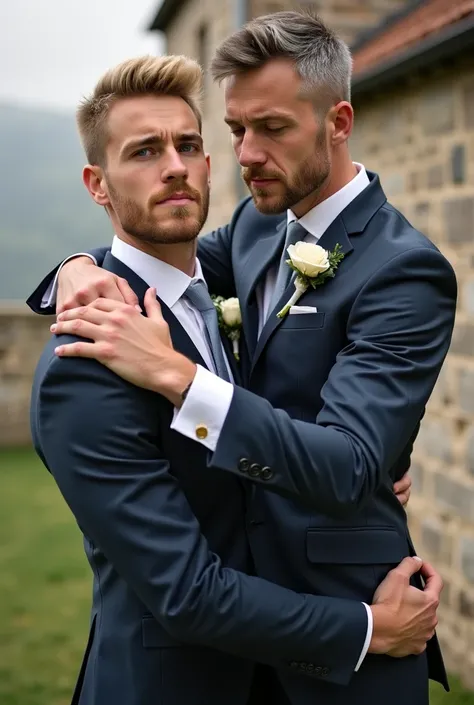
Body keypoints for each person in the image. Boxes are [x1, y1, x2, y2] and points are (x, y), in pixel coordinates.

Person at [26, 12, 453, 705]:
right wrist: (72, 269)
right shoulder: (256, 227)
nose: (246, 153)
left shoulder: (405, 271)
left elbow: (348, 461)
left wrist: (176, 376)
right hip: (188, 671)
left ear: (338, 122)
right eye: (235, 132)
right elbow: (155, 261)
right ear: (97, 183)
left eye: (272, 128)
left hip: (340, 646)